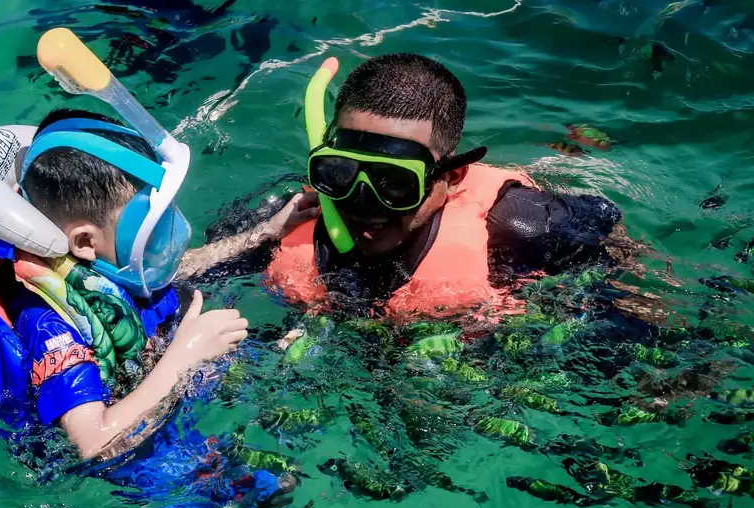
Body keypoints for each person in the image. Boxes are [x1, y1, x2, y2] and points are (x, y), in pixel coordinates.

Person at [0, 108, 317, 502]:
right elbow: (92, 445)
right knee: (265, 497)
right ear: (84, 243)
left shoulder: (98, 263)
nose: (172, 235)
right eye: (151, 227)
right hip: (128, 451)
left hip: (150, 369)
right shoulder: (50, 325)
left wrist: (262, 234)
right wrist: (185, 356)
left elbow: (173, 267)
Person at [253, 53, 640, 320]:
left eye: (394, 184)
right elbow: (194, 269)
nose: (361, 201)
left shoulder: (530, 224)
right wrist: (260, 235)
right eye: (340, 173)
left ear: (450, 177)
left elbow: (617, 241)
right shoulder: (292, 215)